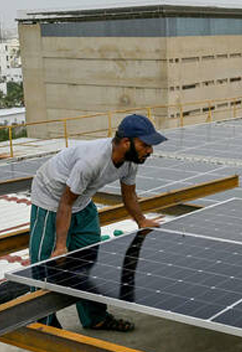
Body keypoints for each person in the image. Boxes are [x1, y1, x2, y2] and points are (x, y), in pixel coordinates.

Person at [28, 114, 166, 332]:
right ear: (126, 142)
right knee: (46, 264)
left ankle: (95, 318)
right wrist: (61, 244)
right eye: (145, 145)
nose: (150, 151)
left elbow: (129, 194)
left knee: (88, 260)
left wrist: (141, 221)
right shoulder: (91, 162)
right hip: (51, 200)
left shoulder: (131, 161)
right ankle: (45, 328)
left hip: (82, 201)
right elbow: (65, 203)